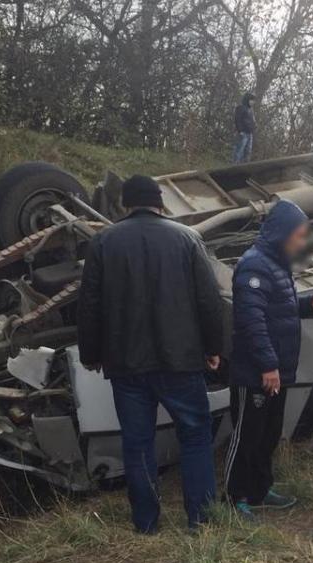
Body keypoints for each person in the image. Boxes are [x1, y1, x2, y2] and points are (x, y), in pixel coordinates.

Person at [77, 174, 225, 533]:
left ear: (127, 204)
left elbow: (90, 305)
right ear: (159, 202)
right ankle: (200, 519)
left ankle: (146, 523)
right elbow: (209, 300)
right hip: (181, 360)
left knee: (137, 442)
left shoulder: (103, 242)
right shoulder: (187, 239)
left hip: (126, 364)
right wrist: (214, 347)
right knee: (194, 435)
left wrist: (91, 353)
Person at [225, 200, 313, 516]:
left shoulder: (277, 264)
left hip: (278, 371)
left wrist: (307, 303)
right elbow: (251, 319)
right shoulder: (254, 265)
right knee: (247, 435)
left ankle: (259, 490)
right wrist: (268, 365)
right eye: (299, 235)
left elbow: (278, 308)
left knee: (268, 435)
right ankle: (235, 498)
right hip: (256, 372)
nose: (302, 242)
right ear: (283, 233)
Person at [232, 92, 256, 164]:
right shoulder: (240, 108)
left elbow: (252, 121)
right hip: (243, 133)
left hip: (250, 133)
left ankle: (244, 168)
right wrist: (240, 131)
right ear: (247, 99)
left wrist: (254, 126)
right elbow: (237, 119)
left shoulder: (251, 110)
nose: (253, 102)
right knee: (239, 151)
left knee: (248, 152)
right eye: (252, 100)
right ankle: (234, 167)